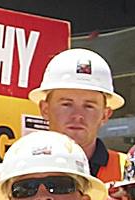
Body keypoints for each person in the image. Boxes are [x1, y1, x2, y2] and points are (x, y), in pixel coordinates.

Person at [26, 46, 125, 180]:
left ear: (105, 114)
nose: (78, 115)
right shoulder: (21, 169)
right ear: (45, 109)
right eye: (66, 104)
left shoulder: (128, 171)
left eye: (89, 106)